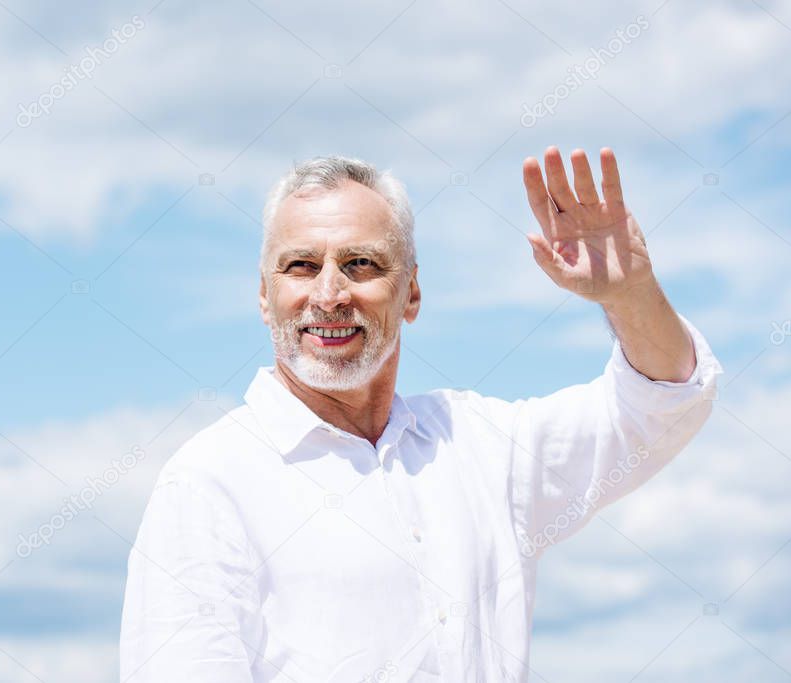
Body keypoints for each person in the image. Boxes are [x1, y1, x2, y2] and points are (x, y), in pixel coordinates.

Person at [118, 149, 723, 682]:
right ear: (263, 294)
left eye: (362, 264)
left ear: (411, 293)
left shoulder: (480, 446)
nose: (330, 294)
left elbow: (660, 403)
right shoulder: (208, 485)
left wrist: (630, 295)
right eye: (301, 266)